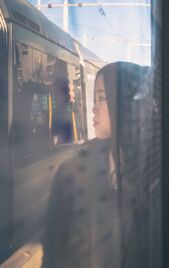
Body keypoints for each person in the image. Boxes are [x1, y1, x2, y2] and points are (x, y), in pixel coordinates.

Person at [42, 62, 151, 268]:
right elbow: (53, 254)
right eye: (95, 99)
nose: (93, 108)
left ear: (125, 105)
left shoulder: (152, 172)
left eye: (102, 98)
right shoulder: (72, 172)